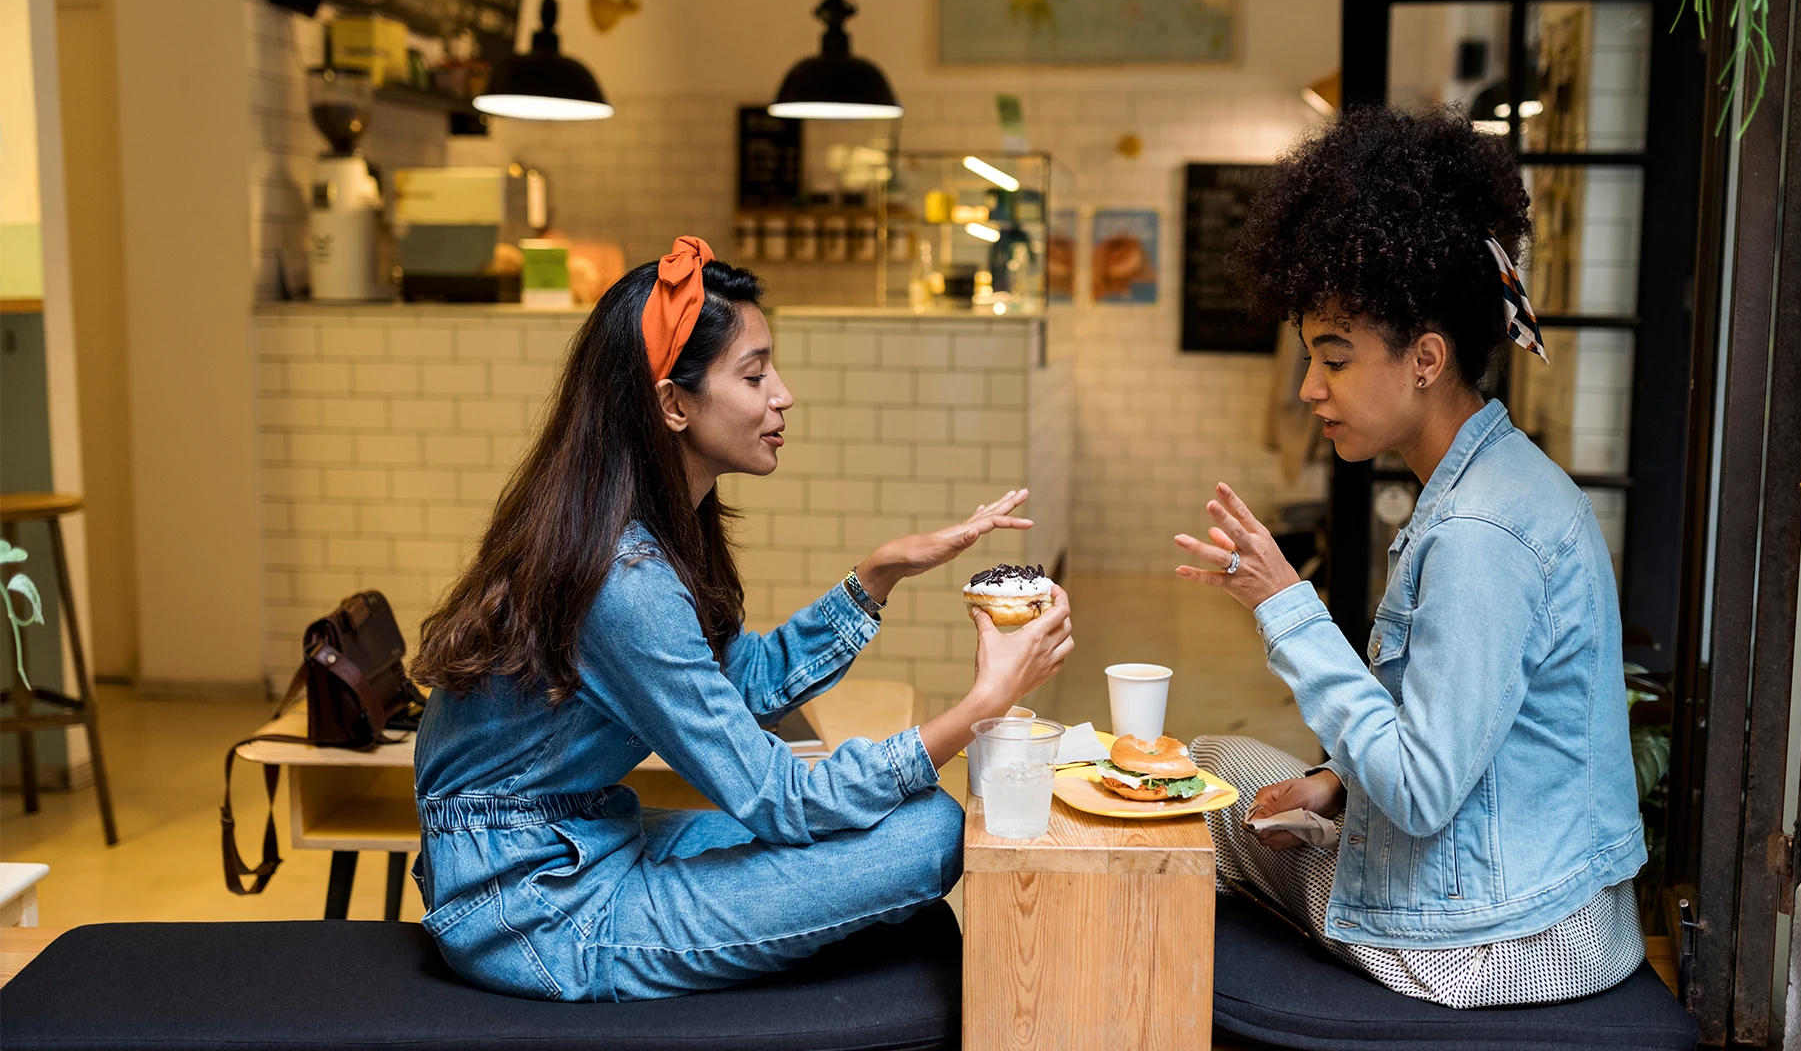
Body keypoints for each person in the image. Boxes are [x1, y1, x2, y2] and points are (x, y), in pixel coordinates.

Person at [407, 237, 1074, 1002]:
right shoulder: (623, 583)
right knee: (925, 834)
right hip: (536, 910)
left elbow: (738, 683)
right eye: (755, 375)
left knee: (915, 814)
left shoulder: (631, 527)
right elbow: (780, 801)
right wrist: (982, 707)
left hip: (587, 841)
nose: (782, 394)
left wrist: (876, 576)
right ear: (673, 403)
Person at [1174, 107, 1646, 1008]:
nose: (1312, 387)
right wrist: (1332, 788)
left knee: (1205, 779)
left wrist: (1286, 606)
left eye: (1335, 359)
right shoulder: (1500, 477)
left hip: (1499, 944)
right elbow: (1461, 736)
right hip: (1548, 898)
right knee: (1250, 778)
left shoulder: (1479, 537)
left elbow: (1425, 792)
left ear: (1426, 358)